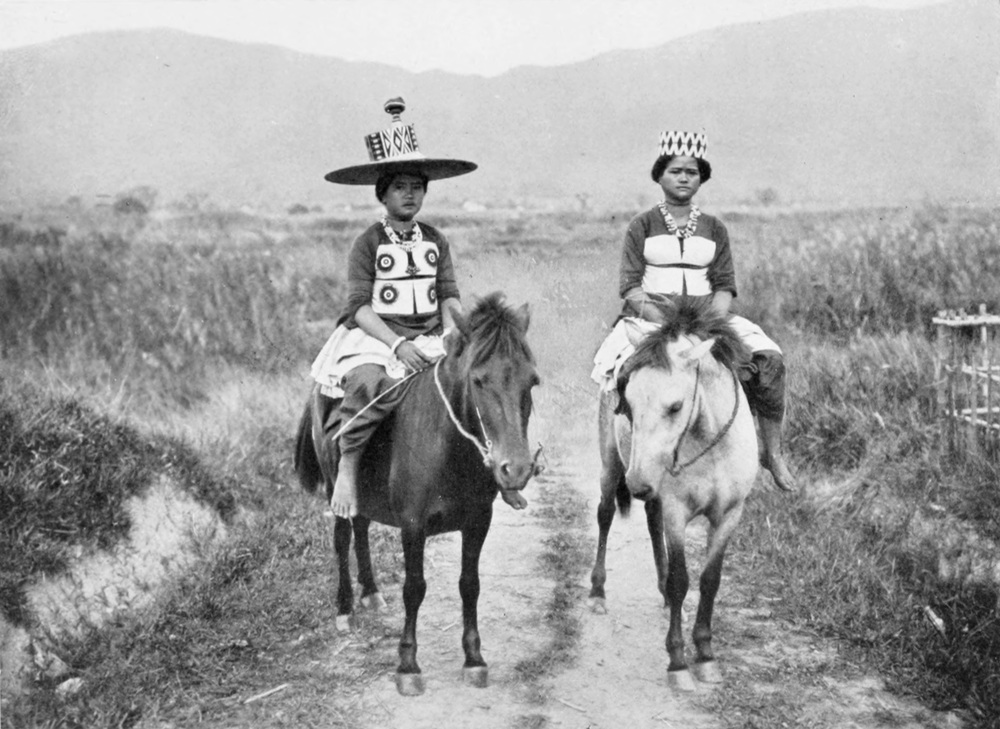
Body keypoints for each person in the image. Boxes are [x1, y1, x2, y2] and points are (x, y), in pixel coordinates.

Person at [591, 130, 797, 492]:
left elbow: (724, 285)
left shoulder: (714, 228)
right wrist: (665, 322)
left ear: (702, 177)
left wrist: (710, 323)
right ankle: (630, 445)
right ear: (659, 175)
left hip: (707, 318)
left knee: (770, 360)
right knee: (621, 369)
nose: (684, 178)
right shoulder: (642, 225)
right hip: (651, 318)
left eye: (692, 171)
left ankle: (772, 452)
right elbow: (631, 286)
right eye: (675, 171)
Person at [311, 97, 476, 518]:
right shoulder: (367, 242)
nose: (410, 194)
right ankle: (347, 468)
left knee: (478, 382)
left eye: (416, 186)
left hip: (430, 335)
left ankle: (487, 475)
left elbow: (449, 294)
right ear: (382, 193)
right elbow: (358, 308)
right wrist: (398, 345)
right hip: (377, 337)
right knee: (367, 382)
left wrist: (452, 332)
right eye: (400, 187)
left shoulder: (435, 240)